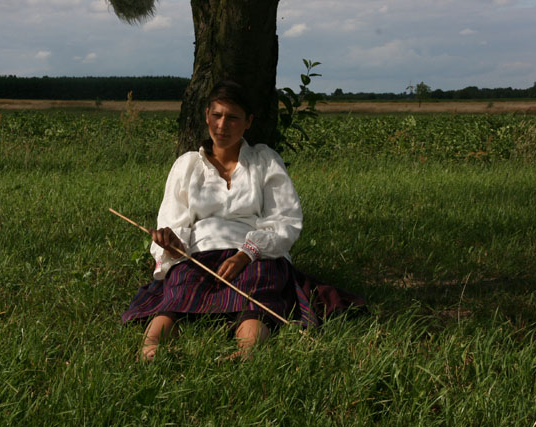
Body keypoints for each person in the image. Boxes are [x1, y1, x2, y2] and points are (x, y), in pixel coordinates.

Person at [122, 81, 365, 361]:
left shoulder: (264, 161)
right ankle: (152, 348)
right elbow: (173, 219)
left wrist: (247, 254)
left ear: (248, 121)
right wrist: (171, 242)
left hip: (254, 253)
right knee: (181, 286)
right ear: (206, 115)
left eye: (233, 118)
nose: (222, 125)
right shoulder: (187, 165)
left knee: (255, 289)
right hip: (198, 251)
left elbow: (285, 219)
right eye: (217, 115)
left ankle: (247, 351)